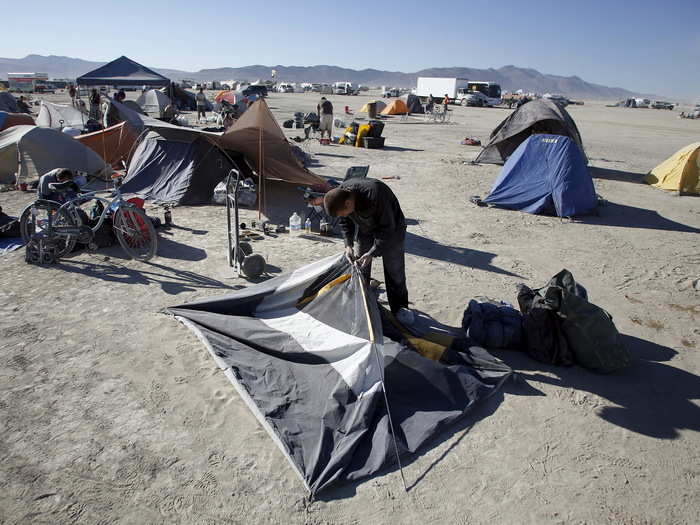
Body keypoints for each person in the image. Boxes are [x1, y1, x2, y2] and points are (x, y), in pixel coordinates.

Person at [323, 178, 414, 325]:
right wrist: (348, 245)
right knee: (360, 267)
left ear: (348, 203)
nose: (344, 216)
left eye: (344, 212)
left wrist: (372, 253)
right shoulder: (341, 194)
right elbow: (344, 221)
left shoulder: (375, 194)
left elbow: (387, 230)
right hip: (365, 228)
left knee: (394, 271)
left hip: (392, 230)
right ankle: (363, 304)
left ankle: (400, 309)